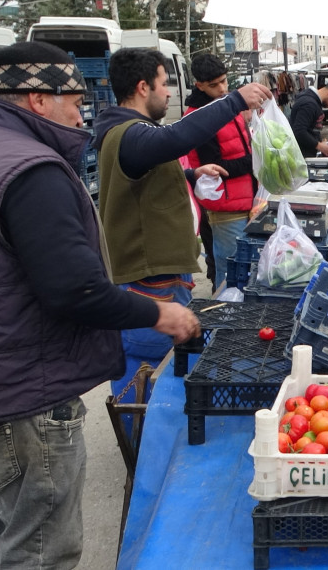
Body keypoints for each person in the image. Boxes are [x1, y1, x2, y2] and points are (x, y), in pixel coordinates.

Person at [0, 42, 202, 569]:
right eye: (74, 99)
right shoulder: (32, 170)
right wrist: (161, 313)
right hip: (14, 397)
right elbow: (74, 290)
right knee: (39, 551)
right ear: (37, 99)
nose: (82, 111)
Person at [94, 48, 272, 403]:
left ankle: (145, 434)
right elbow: (175, 139)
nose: (170, 92)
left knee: (159, 366)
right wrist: (234, 100)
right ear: (143, 87)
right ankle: (141, 442)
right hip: (149, 283)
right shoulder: (128, 133)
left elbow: (145, 179)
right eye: (164, 84)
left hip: (162, 277)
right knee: (148, 369)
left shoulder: (131, 133)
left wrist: (190, 174)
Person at [184, 53, 258, 291]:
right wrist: (255, 160)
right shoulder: (199, 117)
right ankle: (224, 320)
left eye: (224, 81)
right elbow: (215, 168)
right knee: (230, 271)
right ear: (199, 85)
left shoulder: (226, 106)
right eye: (214, 85)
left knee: (241, 267)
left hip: (244, 199)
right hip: (224, 205)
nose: (222, 88)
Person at [289, 80, 328, 158]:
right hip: (301, 157)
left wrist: (319, 141)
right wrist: (319, 146)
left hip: (307, 155)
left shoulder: (314, 101)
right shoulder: (309, 104)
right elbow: (299, 131)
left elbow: (310, 128)